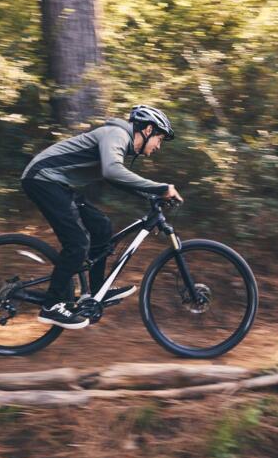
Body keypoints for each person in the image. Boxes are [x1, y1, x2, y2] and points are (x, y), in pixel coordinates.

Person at [21, 105, 183, 329]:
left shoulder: (121, 142)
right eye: (160, 138)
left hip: (57, 183)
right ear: (147, 130)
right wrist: (160, 187)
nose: (158, 146)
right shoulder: (117, 134)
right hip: (42, 179)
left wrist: (151, 194)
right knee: (78, 243)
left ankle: (96, 293)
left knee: (102, 228)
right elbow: (112, 172)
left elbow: (116, 177)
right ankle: (52, 305)